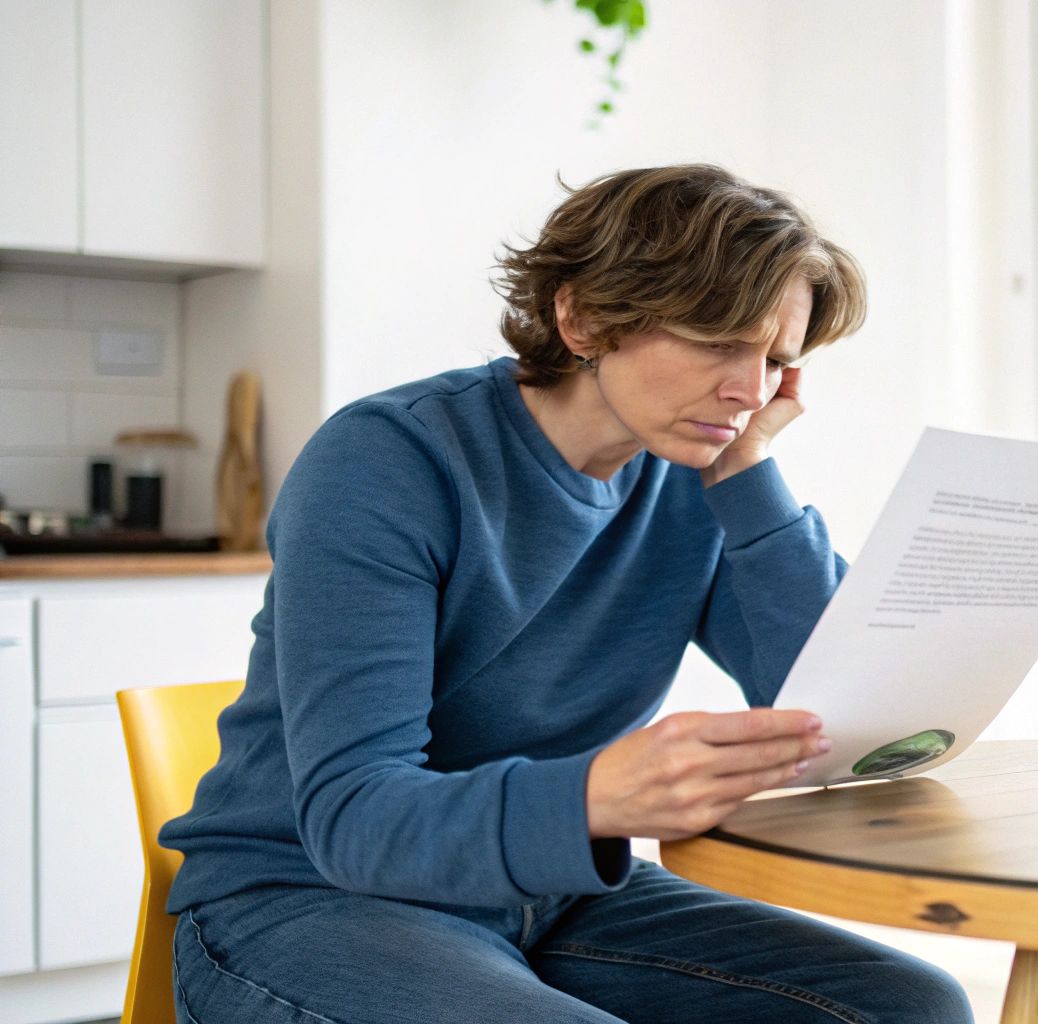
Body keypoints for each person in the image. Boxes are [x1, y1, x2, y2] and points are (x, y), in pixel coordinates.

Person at [160, 164, 975, 1023]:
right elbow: (356, 817)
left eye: (775, 361)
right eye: (717, 341)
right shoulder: (387, 461)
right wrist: (596, 796)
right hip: (305, 898)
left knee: (909, 1005)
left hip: (552, 892)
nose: (748, 391)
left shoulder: (695, 474)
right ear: (583, 316)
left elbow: (830, 705)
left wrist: (749, 474)